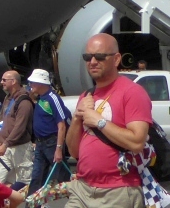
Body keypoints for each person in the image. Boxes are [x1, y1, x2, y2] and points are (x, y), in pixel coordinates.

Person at [65, 33, 153, 208]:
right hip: (82, 188)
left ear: (116, 59)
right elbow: (74, 152)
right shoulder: (86, 96)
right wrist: (77, 117)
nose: (92, 62)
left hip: (118, 190)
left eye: (99, 56)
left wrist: (100, 121)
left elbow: (137, 142)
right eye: (88, 57)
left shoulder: (132, 92)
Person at [26, 69, 69, 196]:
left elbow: (61, 125)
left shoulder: (53, 98)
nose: (30, 85)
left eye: (33, 82)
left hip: (52, 142)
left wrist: (59, 148)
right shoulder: (40, 98)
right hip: (40, 143)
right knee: (37, 177)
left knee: (62, 177)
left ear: (41, 83)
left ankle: (77, 200)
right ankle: (33, 203)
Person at [0, 70, 33, 189]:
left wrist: (5, 144)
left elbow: (19, 127)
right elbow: (1, 120)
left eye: (4, 80)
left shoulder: (24, 101)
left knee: (24, 182)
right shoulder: (7, 98)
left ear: (14, 81)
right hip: (5, 148)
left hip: (20, 148)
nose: (1, 82)